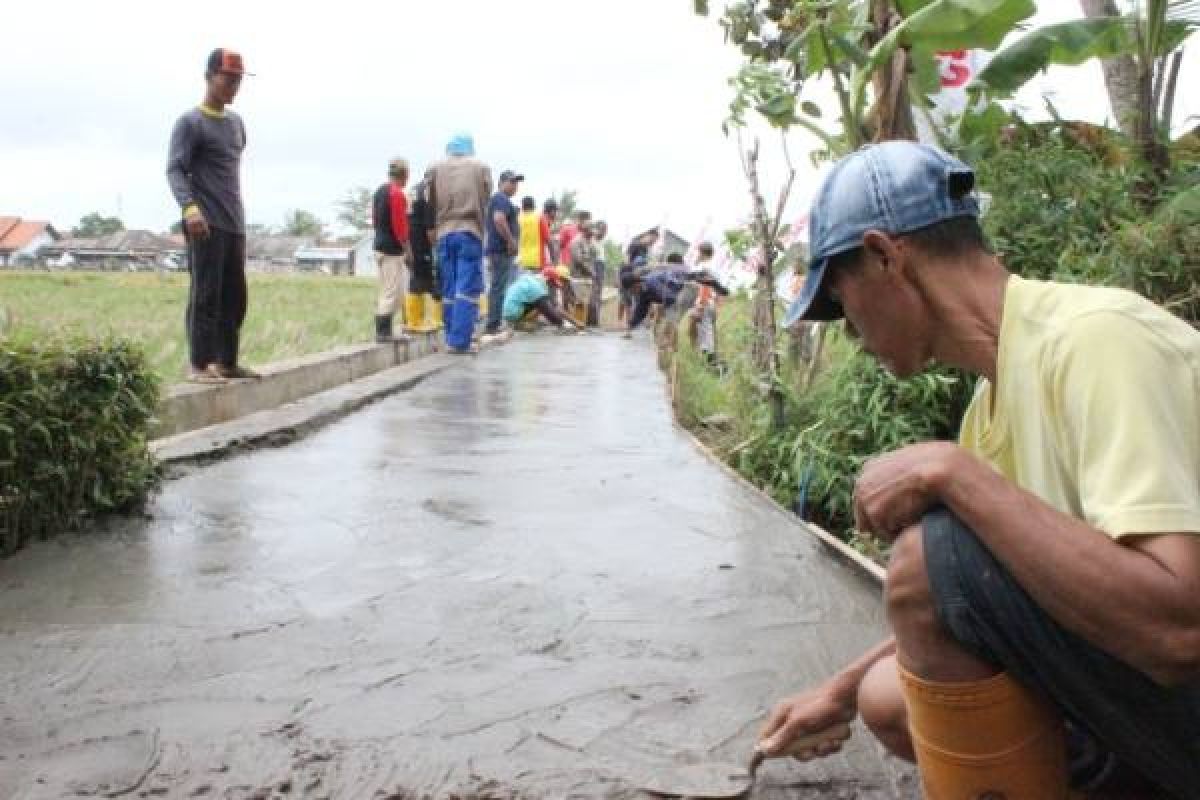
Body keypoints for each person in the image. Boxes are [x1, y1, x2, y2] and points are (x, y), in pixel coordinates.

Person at [762, 140, 1200, 799]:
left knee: (927, 560)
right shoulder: (990, 407)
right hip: (1155, 699)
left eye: (842, 304)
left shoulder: (1097, 340)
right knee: (887, 693)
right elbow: (1013, 596)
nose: (852, 333)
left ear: (885, 256)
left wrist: (955, 474)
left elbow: (1179, 628)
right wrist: (841, 691)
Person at [166, 48, 256, 384]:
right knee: (206, 294)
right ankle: (198, 365)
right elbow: (175, 170)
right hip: (205, 224)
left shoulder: (236, 124)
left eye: (238, 80)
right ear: (209, 77)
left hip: (234, 223)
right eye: (227, 79)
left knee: (235, 297)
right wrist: (190, 209)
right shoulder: (190, 123)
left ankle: (226, 362)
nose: (233, 86)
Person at [424, 133, 492, 354]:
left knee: (449, 288)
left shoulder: (434, 168)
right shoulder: (480, 167)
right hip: (469, 231)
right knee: (466, 288)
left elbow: (429, 201)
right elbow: (485, 199)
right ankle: (459, 341)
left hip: (444, 233)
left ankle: (451, 335)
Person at [370, 157, 412, 343]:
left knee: (389, 289)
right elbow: (400, 226)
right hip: (391, 251)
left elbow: (374, 219)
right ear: (404, 175)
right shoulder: (397, 194)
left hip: (379, 246)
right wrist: (407, 249)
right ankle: (383, 333)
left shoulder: (380, 191)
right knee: (392, 292)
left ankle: (385, 330)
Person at [483, 170, 522, 336]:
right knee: (498, 287)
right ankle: (493, 324)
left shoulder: (500, 199)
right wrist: (511, 241)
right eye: (512, 182)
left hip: (498, 250)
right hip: (501, 250)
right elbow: (499, 219)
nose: (515, 186)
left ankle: (494, 322)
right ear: (502, 183)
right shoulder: (501, 199)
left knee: (498, 286)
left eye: (516, 183)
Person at [405, 176, 440, 333]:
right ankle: (416, 321)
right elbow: (430, 225)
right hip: (422, 241)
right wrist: (435, 244)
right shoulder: (428, 192)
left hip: (411, 239)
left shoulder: (414, 189)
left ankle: (416, 320)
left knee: (417, 277)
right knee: (421, 280)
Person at [502, 266, 579, 333]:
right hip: (514, 314)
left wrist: (574, 323)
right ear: (548, 280)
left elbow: (554, 307)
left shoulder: (532, 279)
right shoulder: (537, 289)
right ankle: (520, 324)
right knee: (543, 308)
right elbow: (549, 313)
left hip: (509, 312)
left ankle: (522, 323)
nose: (553, 287)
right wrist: (564, 325)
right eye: (552, 284)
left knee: (543, 306)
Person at [619, 229, 659, 325]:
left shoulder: (645, 249)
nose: (652, 243)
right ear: (647, 235)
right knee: (626, 300)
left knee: (638, 299)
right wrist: (627, 273)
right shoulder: (635, 244)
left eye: (654, 242)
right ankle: (625, 325)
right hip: (628, 275)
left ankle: (632, 324)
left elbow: (643, 264)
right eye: (652, 241)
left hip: (638, 276)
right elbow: (626, 259)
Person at [689, 242, 720, 363]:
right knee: (708, 332)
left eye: (698, 252)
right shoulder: (714, 266)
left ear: (701, 252)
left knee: (705, 334)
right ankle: (709, 360)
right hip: (712, 303)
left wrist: (701, 305)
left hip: (705, 303)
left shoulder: (705, 267)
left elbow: (705, 286)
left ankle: (711, 362)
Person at [566, 220, 598, 325]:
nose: (593, 233)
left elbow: (592, 259)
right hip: (578, 277)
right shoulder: (576, 242)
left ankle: (581, 324)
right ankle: (578, 324)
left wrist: (592, 272)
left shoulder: (591, 242)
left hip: (587, 277)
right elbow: (578, 261)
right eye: (591, 231)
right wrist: (591, 272)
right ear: (585, 230)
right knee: (580, 302)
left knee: (585, 302)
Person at [589, 220, 609, 327]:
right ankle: (592, 320)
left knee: (598, 293)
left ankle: (595, 320)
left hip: (600, 265)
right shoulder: (592, 240)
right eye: (603, 230)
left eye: (605, 231)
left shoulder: (601, 241)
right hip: (596, 265)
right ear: (597, 229)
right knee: (594, 292)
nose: (604, 233)